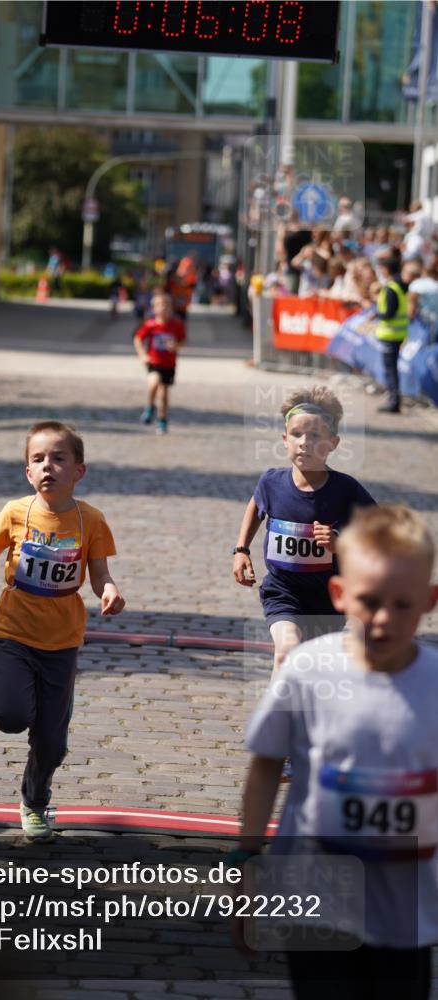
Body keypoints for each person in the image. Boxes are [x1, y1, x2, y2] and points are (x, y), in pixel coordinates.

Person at [235, 504, 438, 1000]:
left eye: (403, 604)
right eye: (370, 601)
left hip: (407, 908)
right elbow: (264, 766)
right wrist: (246, 863)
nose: (385, 618)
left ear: (430, 600)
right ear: (339, 594)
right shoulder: (308, 670)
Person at [0, 421, 125, 842]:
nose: (48, 466)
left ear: (78, 471)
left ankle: (35, 800)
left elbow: (99, 574)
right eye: (38, 459)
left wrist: (111, 590)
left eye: (59, 458)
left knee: (51, 745)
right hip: (14, 632)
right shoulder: (15, 512)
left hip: (62, 642)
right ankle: (31, 709)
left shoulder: (91, 520)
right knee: (10, 716)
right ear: (28, 472)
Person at [232, 386, 376, 676]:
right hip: (283, 591)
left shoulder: (346, 489)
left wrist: (341, 544)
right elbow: (256, 506)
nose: (304, 443)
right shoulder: (271, 482)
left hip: (329, 599)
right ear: (285, 439)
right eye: (297, 434)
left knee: (314, 668)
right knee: (286, 651)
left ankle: (307, 715)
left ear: (333, 443)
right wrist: (241, 550)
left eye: (315, 436)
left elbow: (379, 533)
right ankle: (278, 716)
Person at [133, 289, 186, 435]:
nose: (164, 308)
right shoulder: (150, 325)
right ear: (154, 309)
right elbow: (137, 339)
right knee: (153, 383)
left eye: (167, 305)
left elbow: (183, 341)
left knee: (163, 395)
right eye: (160, 305)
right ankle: (150, 407)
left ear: (171, 308)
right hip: (154, 361)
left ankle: (162, 420)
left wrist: (176, 346)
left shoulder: (177, 325)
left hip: (169, 364)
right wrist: (142, 355)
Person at [374, 256, 409, 413]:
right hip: (397, 334)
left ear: (386, 269)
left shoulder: (390, 288)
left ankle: (393, 402)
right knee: (392, 369)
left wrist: (377, 313)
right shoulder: (399, 285)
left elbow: (388, 313)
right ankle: (393, 400)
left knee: (390, 370)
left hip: (390, 335)